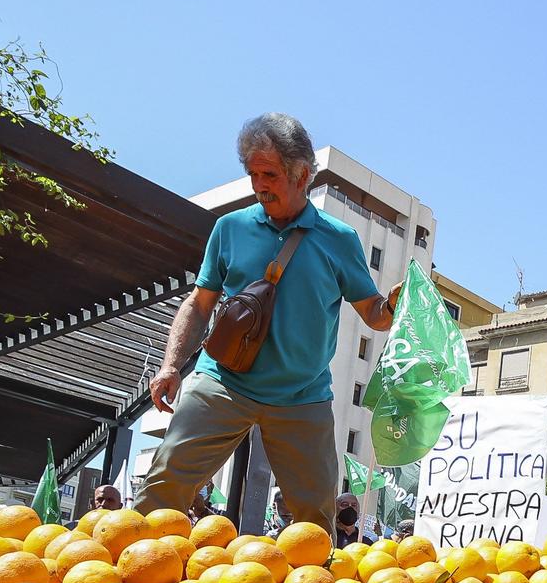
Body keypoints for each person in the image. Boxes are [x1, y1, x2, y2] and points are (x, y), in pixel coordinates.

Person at [136, 113, 401, 530]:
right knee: (163, 485)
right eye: (253, 173)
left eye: (271, 174)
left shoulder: (340, 239)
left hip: (303, 395)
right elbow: (199, 303)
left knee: (315, 517)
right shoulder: (230, 228)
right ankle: (129, 577)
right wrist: (171, 366)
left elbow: (373, 314)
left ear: (303, 175)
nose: (260, 185)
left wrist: (391, 306)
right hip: (224, 382)